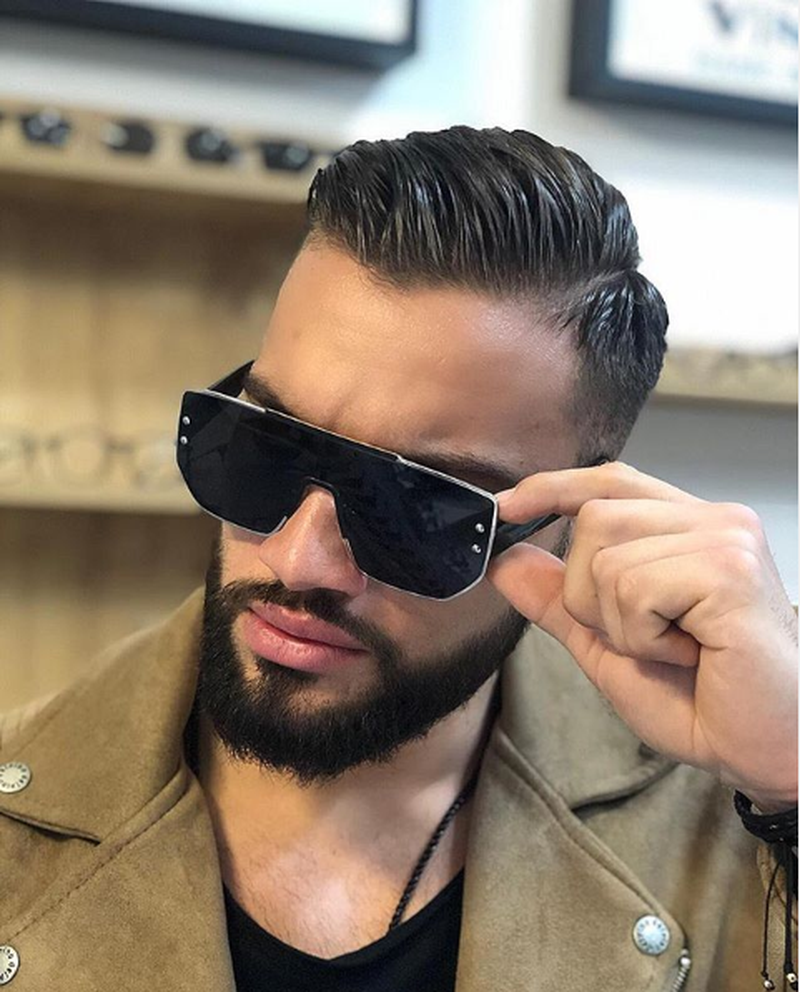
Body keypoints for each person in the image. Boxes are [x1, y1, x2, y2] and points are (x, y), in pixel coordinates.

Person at [0, 126, 796, 992]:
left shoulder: (737, 814)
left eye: (415, 508)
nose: (300, 560)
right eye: (265, 447)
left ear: (570, 524)